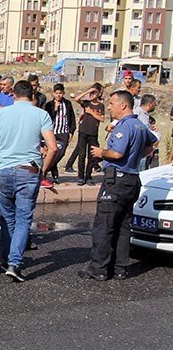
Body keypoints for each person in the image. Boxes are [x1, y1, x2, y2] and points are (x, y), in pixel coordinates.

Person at [78, 90, 158, 281]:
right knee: (123, 225)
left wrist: (101, 152)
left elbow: (117, 153)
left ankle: (98, 268)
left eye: (112, 104)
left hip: (117, 180)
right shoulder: (140, 125)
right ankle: (120, 268)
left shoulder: (125, 126)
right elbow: (153, 142)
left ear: (123, 105)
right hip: (131, 180)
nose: (110, 107)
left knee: (104, 225)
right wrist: (137, 155)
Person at [0, 80, 58, 282]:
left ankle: (7, 258)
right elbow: (52, 147)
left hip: (5, 170)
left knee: (7, 218)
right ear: (32, 95)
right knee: (23, 218)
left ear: (13, 95)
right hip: (29, 170)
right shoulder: (41, 114)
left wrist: (2, 163)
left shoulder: (1, 114)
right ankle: (15, 263)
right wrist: (43, 169)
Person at [41, 83, 76, 187]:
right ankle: (51, 174)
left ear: (63, 93)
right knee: (51, 153)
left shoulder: (68, 104)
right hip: (51, 133)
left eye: (60, 93)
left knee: (60, 153)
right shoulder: (49, 105)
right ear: (53, 94)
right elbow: (48, 119)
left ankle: (44, 171)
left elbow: (72, 119)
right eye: (56, 93)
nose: (58, 95)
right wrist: (55, 109)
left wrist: (71, 132)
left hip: (63, 133)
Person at [72, 84, 106, 186]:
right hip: (83, 132)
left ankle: (88, 176)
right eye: (92, 92)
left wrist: (91, 112)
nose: (92, 94)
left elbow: (102, 119)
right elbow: (77, 99)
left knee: (91, 156)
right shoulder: (86, 103)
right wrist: (88, 91)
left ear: (99, 93)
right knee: (81, 155)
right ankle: (80, 177)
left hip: (93, 133)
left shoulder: (101, 106)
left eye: (95, 92)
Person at [134, 94, 159, 170]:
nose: (155, 106)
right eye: (154, 104)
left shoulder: (145, 115)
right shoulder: (137, 112)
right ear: (150, 104)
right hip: (139, 148)